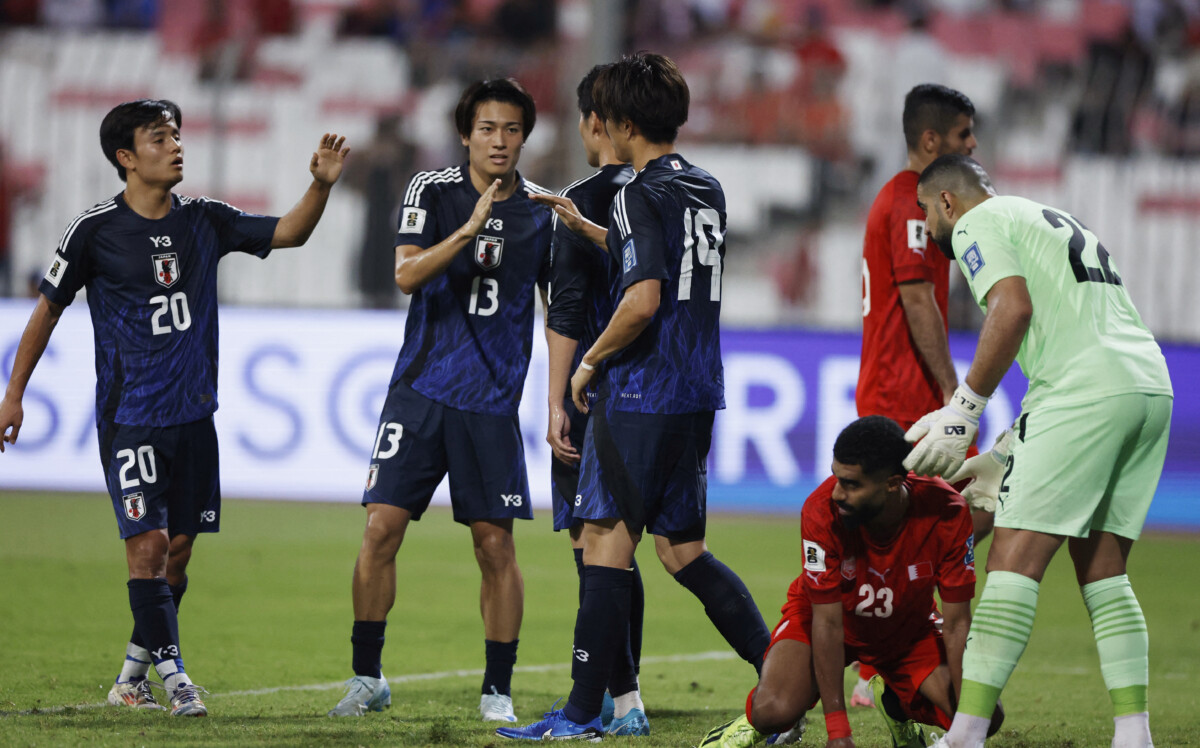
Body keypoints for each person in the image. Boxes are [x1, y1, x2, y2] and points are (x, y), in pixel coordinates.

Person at [0, 99, 349, 716]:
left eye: (178, 134)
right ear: (126, 158)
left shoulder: (206, 220)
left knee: (179, 551)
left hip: (194, 417)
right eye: (160, 137)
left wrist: (318, 186)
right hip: (130, 414)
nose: (177, 145)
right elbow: (47, 309)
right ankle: (176, 677)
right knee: (148, 546)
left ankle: (131, 678)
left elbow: (289, 232)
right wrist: (14, 393)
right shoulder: (94, 230)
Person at [496, 52, 771, 742]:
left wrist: (589, 362)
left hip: (643, 391)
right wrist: (590, 230)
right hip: (696, 389)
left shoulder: (634, 193)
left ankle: (583, 713)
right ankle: (785, 674)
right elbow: (661, 263)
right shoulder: (705, 187)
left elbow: (643, 298)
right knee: (682, 551)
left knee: (602, 543)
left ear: (620, 123)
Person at [908, 155, 1172, 748]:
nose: (927, 226)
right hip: (1149, 386)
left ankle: (966, 735)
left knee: (1011, 558)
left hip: (1086, 392)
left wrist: (965, 408)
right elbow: (1071, 341)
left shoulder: (978, 224)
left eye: (926, 210)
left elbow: (1013, 309)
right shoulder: (1045, 216)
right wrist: (1009, 447)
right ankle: (1135, 734)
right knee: (1103, 570)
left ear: (948, 202)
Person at [327, 78, 553, 722]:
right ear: (465, 135)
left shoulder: (542, 211)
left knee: (495, 546)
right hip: (420, 391)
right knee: (380, 530)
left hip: (490, 402)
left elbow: (554, 304)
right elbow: (404, 274)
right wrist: (466, 233)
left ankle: (497, 691)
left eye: (512, 129)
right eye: (487, 128)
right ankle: (366, 678)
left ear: (524, 137)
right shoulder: (432, 190)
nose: (500, 140)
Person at [699, 416, 1004, 748]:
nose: (838, 493)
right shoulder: (820, 511)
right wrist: (838, 732)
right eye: (836, 477)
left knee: (984, 714)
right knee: (773, 710)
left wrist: (969, 721)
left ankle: (894, 701)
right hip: (826, 620)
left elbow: (958, 624)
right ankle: (755, 722)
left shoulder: (947, 512)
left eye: (852, 484)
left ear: (892, 483)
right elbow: (827, 622)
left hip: (908, 631)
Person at [855, 82, 989, 709]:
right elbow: (917, 298)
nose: (972, 146)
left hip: (892, 386)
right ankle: (882, 652)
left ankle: (883, 651)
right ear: (931, 140)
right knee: (944, 518)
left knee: (929, 522)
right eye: (964, 135)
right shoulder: (913, 202)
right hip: (903, 391)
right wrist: (951, 392)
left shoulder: (900, 198)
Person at [534, 64, 646, 736]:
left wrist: (555, 401)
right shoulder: (663, 193)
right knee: (628, 550)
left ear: (593, 124)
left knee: (592, 549)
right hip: (651, 391)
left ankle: (615, 699)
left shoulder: (580, 200)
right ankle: (616, 692)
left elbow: (567, 311)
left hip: (592, 388)